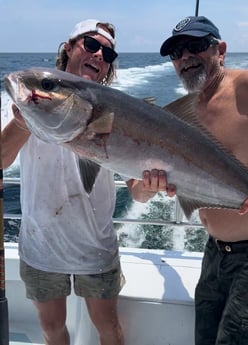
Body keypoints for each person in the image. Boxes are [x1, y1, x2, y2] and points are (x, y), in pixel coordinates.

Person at [2, 19, 174, 345]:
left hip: (95, 249)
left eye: (107, 52)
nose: (99, 54)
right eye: (90, 45)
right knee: (52, 329)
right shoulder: (29, 104)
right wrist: (27, 120)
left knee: (108, 328)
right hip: (40, 248)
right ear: (69, 48)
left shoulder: (115, 114)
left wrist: (152, 186)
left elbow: (136, 192)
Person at [160, 15, 248, 345]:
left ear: (220, 50)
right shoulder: (177, 117)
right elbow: (139, 193)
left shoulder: (243, 86)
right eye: (176, 53)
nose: (185, 58)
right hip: (212, 253)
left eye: (195, 46)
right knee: (204, 338)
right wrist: (151, 183)